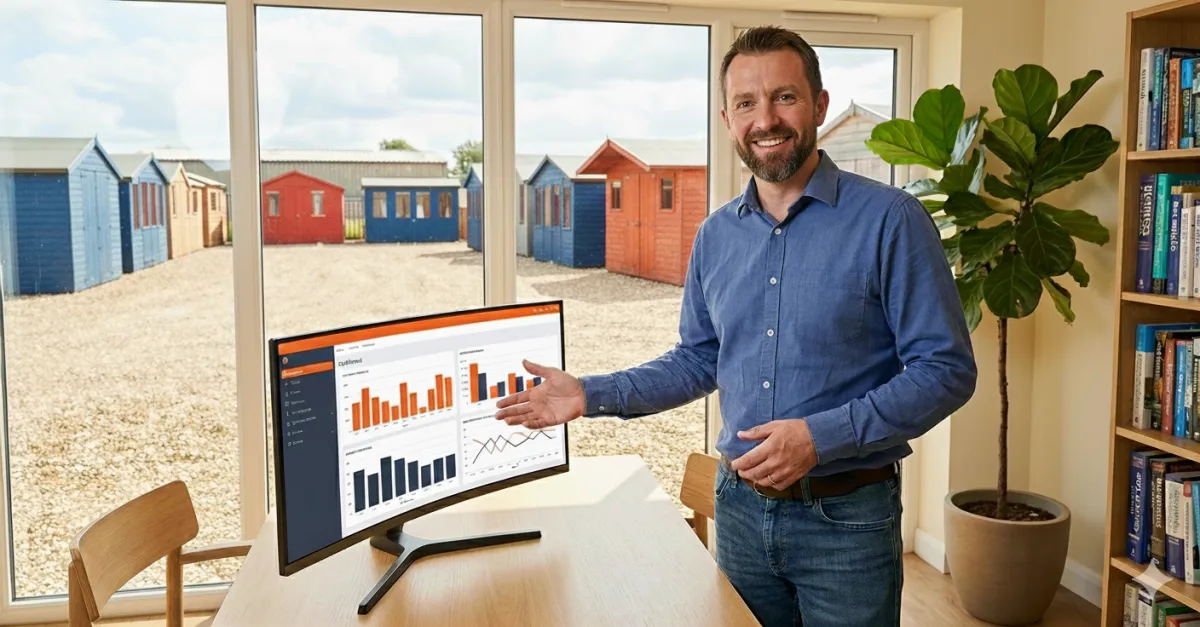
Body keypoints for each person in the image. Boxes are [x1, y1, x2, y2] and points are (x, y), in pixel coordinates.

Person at [494, 25, 977, 627]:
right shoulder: (715, 235)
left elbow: (946, 371)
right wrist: (591, 393)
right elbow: (698, 361)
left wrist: (819, 437)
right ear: (728, 119)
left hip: (847, 522)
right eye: (746, 103)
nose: (765, 118)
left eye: (784, 97)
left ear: (819, 106)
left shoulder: (891, 221)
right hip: (740, 514)